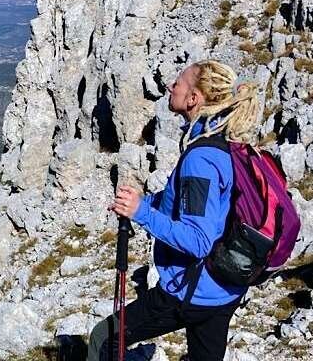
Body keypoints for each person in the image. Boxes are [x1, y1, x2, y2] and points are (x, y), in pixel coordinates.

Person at [87, 60, 261, 361]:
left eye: (178, 83)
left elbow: (198, 240)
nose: (171, 86)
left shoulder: (201, 159)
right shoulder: (222, 143)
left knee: (103, 338)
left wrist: (141, 213)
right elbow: (194, 206)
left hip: (191, 290)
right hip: (224, 289)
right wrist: (147, 203)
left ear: (194, 98)